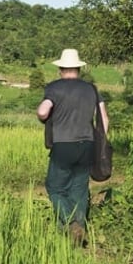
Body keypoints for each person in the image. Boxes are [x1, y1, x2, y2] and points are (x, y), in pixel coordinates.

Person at [36, 48, 108, 246]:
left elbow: (43, 111)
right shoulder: (91, 89)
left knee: (55, 187)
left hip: (63, 144)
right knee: (79, 189)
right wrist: (101, 141)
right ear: (78, 68)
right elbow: (103, 118)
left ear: (61, 69)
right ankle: (77, 228)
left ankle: (70, 222)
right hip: (87, 144)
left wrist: (42, 113)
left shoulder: (54, 87)